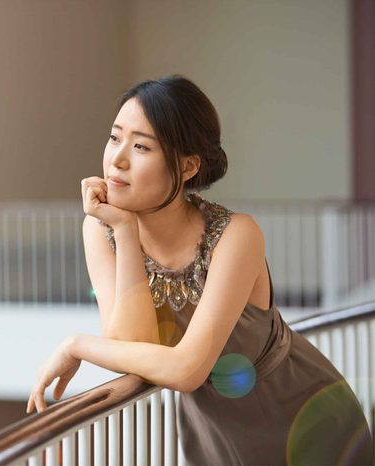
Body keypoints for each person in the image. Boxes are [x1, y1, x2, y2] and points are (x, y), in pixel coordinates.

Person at [25, 75, 374, 464]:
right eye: (114, 138)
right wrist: (125, 231)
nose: (117, 159)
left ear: (188, 166)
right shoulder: (102, 228)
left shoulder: (236, 235)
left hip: (307, 420)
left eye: (141, 146)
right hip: (218, 432)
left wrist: (77, 345)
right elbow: (131, 343)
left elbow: (187, 370)